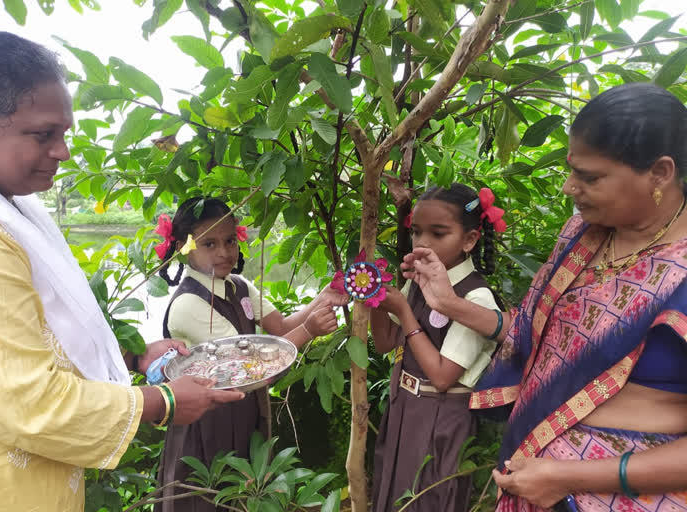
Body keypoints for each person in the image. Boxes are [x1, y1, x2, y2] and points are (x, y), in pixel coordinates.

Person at [0, 25, 244, 512]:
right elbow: (25, 402)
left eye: (64, 133)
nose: (63, 152)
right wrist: (163, 403)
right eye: (42, 134)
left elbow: (33, 334)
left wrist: (136, 360)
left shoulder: (2, 208)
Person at [408, 83, 687, 512]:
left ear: (660, 173)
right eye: (572, 170)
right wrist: (448, 302)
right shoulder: (582, 238)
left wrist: (570, 476)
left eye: (590, 177)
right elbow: (527, 330)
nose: (568, 188)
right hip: (533, 480)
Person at [153, 196, 345, 512]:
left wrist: (321, 299)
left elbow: (280, 327)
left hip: (244, 410)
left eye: (229, 241)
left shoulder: (239, 286)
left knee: (243, 493)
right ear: (185, 248)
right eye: (210, 244)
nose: (224, 252)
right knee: (205, 497)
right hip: (204, 422)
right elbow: (250, 368)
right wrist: (310, 330)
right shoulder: (188, 304)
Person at [370, 183, 508, 512]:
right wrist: (376, 298)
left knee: (429, 497)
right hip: (405, 407)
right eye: (417, 233)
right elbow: (385, 342)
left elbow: (444, 376)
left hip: (441, 418)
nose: (422, 244)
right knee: (393, 491)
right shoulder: (421, 278)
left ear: (469, 240)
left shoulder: (475, 297)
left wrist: (402, 310)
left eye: (438, 233)